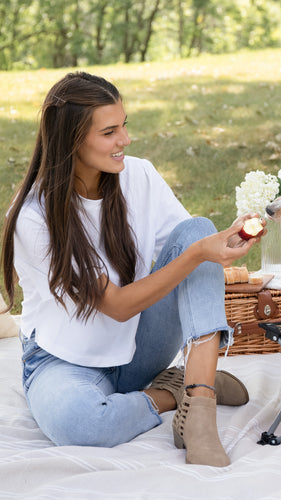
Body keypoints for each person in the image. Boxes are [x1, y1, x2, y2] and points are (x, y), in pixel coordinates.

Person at [1, 72, 264, 467]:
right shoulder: (34, 216)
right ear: (71, 140)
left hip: (139, 345)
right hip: (64, 360)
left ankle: (200, 404)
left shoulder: (138, 175)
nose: (125, 140)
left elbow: (187, 248)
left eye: (124, 126)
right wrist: (197, 254)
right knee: (83, 425)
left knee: (197, 230)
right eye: (110, 132)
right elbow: (118, 306)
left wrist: (212, 248)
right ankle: (173, 392)